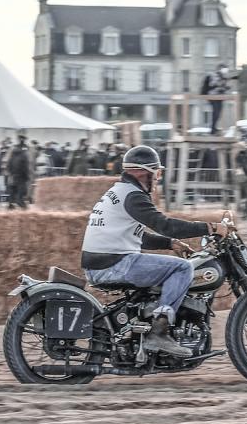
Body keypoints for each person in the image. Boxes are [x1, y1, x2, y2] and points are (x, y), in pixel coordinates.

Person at [81, 145, 232, 357]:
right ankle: (159, 333)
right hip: (113, 265)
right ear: (144, 172)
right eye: (157, 173)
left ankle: (150, 323)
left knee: (169, 269)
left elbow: (134, 236)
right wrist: (210, 227)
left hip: (105, 262)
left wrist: (171, 244)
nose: (158, 179)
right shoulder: (133, 196)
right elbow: (165, 224)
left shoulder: (119, 191)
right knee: (182, 269)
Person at [7, 140, 31, 209]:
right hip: (21, 178)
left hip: (13, 177)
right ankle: (24, 208)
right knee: (20, 195)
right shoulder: (23, 156)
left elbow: (8, 166)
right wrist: (27, 177)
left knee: (12, 194)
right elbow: (25, 168)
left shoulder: (12, 155)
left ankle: (11, 207)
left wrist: (11, 174)